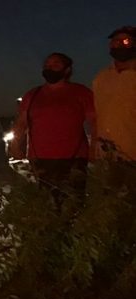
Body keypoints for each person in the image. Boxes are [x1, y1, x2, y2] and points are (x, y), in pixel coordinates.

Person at [10, 53, 96, 209]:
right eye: (47, 65)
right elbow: (22, 123)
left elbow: (94, 122)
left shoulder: (81, 92)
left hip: (74, 158)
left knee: (72, 204)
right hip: (40, 159)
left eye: (56, 64)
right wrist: (15, 144)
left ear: (67, 69)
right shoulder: (33, 95)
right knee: (46, 205)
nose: (50, 68)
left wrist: (94, 148)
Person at [92, 26, 136, 190]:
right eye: (114, 41)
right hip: (107, 155)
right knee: (109, 200)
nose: (118, 45)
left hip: (133, 153)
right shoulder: (102, 78)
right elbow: (97, 115)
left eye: (125, 41)